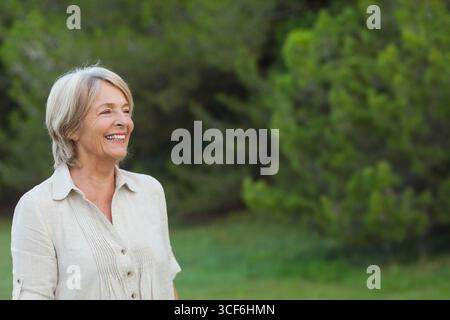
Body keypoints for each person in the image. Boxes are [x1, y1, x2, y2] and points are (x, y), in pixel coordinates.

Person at [11, 66, 181, 300]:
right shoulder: (37, 207)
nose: (124, 122)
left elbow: (166, 283)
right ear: (70, 128)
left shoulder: (150, 191)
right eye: (107, 112)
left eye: (126, 110)